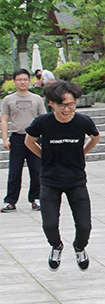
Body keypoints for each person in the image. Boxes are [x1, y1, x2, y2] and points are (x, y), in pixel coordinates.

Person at [24, 81, 100, 271]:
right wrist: (45, 156)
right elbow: (29, 141)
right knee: (49, 224)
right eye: (62, 105)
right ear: (51, 103)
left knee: (84, 226)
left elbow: (95, 136)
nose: (67, 109)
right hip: (50, 180)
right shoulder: (43, 122)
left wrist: (82, 152)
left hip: (76, 180)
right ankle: (56, 246)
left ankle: (79, 247)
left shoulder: (83, 121)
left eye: (71, 104)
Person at [1, 69, 46, 213]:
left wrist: (45, 139)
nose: (22, 82)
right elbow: (4, 119)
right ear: (14, 81)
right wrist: (4, 138)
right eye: (19, 79)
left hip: (34, 139)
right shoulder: (8, 99)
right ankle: (10, 201)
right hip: (17, 138)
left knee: (37, 170)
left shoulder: (37, 98)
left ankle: (36, 198)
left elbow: (43, 119)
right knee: (14, 172)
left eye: (25, 79)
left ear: (29, 81)